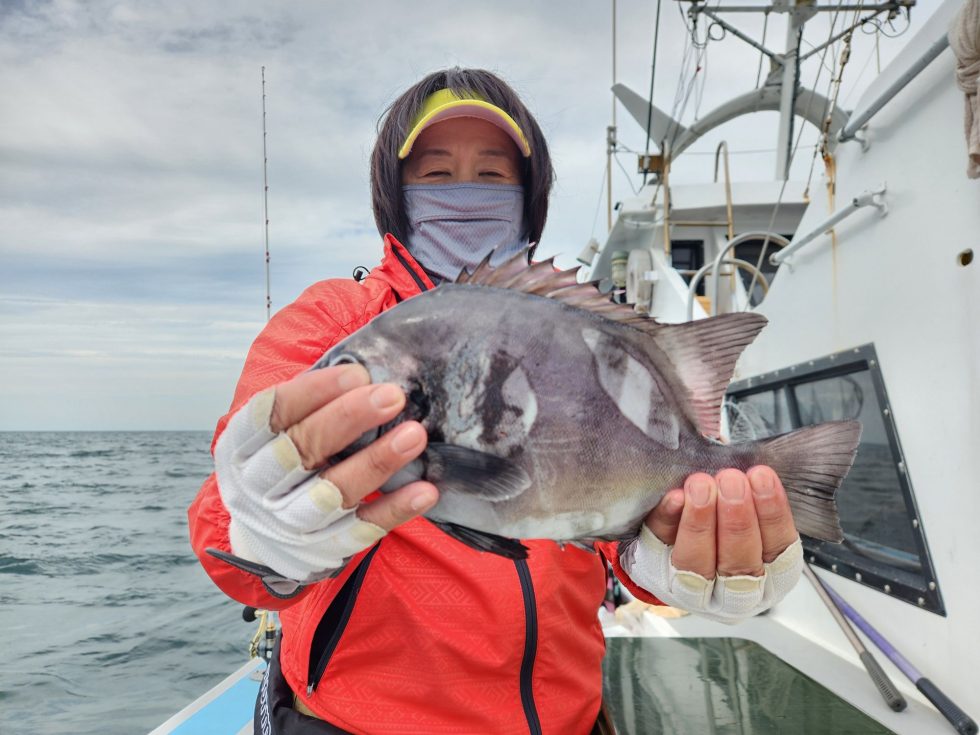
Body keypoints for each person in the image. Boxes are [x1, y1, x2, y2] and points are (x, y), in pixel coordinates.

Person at [189, 67, 804, 735]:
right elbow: (227, 528)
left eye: (490, 175)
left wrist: (674, 558)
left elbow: (607, 533)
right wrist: (256, 533)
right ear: (395, 195)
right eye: (436, 174)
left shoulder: (574, 332)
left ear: (527, 194)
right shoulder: (337, 321)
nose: (464, 192)